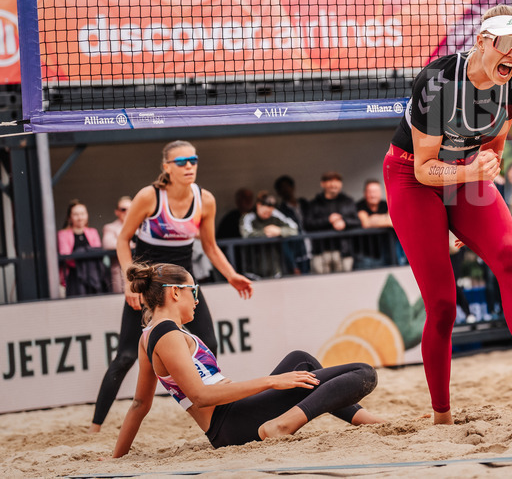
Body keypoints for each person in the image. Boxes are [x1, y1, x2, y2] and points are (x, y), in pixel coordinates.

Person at [382, 4, 512, 423]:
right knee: (444, 305)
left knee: (510, 257)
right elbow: (423, 167)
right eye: (508, 44)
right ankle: (442, 415)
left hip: (467, 173)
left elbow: (493, 149)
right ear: (483, 41)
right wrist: (454, 197)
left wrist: (476, 186)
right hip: (411, 176)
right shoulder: (437, 82)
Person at [112, 262, 381, 457]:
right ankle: (284, 424)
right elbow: (201, 396)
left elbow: (139, 404)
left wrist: (116, 458)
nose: (196, 300)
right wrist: (272, 381)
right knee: (364, 372)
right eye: (193, 292)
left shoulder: (148, 336)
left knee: (301, 359)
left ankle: (363, 418)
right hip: (231, 422)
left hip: (231, 420)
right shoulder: (167, 335)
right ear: (174, 293)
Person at [89, 140, 254, 433]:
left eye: (193, 160)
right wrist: (130, 281)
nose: (189, 166)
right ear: (167, 167)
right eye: (182, 162)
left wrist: (232, 276)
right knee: (126, 355)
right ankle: (96, 425)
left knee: (209, 343)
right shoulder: (149, 197)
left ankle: (216, 408)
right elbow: (123, 239)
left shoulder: (205, 199)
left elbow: (211, 246)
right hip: (148, 285)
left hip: (182, 283)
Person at [304, 172, 362, 274]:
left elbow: (357, 222)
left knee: (345, 282)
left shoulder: (348, 201)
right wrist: (328, 220)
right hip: (321, 253)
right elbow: (307, 224)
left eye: (337, 181)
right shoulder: (314, 203)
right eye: (330, 181)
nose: (334, 184)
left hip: (344, 252)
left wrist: (344, 222)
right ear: (323, 184)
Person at [240, 192, 301, 278]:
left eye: (270, 212)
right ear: (258, 205)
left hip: (274, 268)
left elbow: (294, 228)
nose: (267, 215)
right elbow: (246, 234)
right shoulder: (248, 217)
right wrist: (265, 232)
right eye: (265, 212)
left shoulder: (275, 214)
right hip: (253, 269)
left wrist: (279, 231)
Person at [57, 199, 107, 297]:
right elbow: (66, 255)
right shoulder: (63, 234)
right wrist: (86, 254)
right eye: (76, 214)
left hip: (93, 275)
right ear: (69, 217)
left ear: (87, 215)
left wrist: (79, 254)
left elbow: (97, 252)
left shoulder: (93, 232)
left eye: (82, 213)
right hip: (74, 276)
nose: (80, 217)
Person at [274, 175, 310, 275]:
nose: (286, 190)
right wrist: (292, 264)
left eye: (287, 186)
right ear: (278, 192)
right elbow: (284, 241)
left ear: (293, 187)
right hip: (297, 251)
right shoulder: (280, 211)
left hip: (312, 249)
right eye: (282, 188)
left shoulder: (305, 204)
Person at [102, 196, 133, 294]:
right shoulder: (110, 227)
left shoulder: (141, 225)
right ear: (117, 212)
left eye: (130, 208)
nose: (127, 212)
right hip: (120, 275)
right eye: (123, 209)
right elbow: (108, 244)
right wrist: (132, 243)